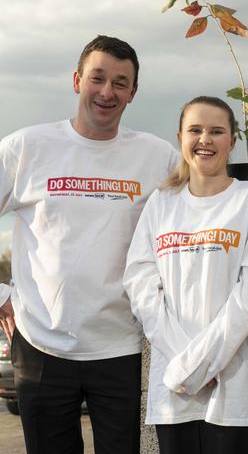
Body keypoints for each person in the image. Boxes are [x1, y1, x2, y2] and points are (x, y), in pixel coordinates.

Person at [0, 35, 178, 454]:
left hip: (123, 346)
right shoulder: (26, 147)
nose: (106, 92)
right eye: (97, 78)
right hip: (42, 344)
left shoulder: (159, 157)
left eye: (120, 83)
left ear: (133, 93)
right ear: (77, 80)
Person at [123, 96, 248, 454]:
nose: (205, 139)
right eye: (195, 130)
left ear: (232, 140)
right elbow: (141, 285)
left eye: (216, 131)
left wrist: (202, 364)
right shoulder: (161, 203)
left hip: (234, 391)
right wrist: (189, 365)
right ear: (180, 137)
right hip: (174, 391)